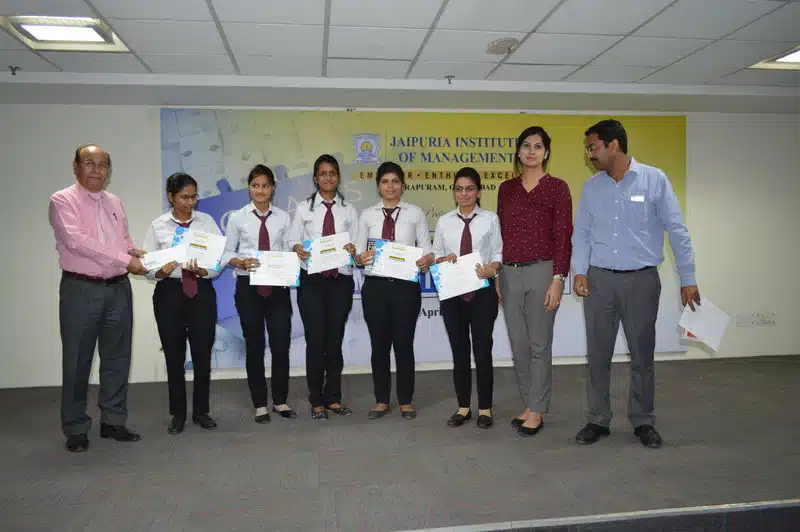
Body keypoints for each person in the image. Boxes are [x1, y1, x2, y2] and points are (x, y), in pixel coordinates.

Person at [572, 119, 701, 449]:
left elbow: (677, 230)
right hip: (599, 281)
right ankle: (598, 419)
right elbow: (582, 233)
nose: (589, 155)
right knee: (597, 355)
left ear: (613, 145)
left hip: (642, 281)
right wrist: (580, 271)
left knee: (642, 355)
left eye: (592, 147)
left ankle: (643, 421)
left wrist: (688, 278)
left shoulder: (654, 180)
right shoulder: (592, 187)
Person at [48, 144, 148, 453]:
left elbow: (123, 238)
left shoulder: (114, 201)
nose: (97, 169)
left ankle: (113, 421)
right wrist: (125, 259)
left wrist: (133, 251)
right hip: (81, 289)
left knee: (118, 358)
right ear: (76, 166)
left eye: (103, 164)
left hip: (118, 288)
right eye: (89, 163)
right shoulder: (62, 200)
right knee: (77, 360)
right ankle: (76, 427)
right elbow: (77, 241)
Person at [497, 126, 573, 437]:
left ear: (546, 152)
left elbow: (563, 236)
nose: (531, 151)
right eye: (526, 145)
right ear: (518, 151)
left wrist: (558, 278)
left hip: (543, 271)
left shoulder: (557, 188)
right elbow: (500, 235)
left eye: (538, 146)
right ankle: (529, 404)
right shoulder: (507, 189)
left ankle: (537, 410)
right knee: (519, 344)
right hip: (509, 272)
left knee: (539, 344)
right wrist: (498, 275)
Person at [142, 172, 223, 435]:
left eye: (193, 197)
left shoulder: (206, 222)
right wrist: (160, 271)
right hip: (170, 293)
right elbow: (146, 266)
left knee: (202, 354)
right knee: (174, 355)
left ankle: (201, 411)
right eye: (184, 197)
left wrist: (205, 270)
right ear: (171, 197)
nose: (190, 202)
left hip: (201, 291)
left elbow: (218, 259)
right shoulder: (158, 226)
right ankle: (177, 413)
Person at [355, 161, 434, 420]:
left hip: (405, 287)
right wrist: (360, 257)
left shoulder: (415, 213)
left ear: (403, 184)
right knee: (379, 345)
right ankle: (381, 400)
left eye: (395, 181)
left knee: (403, 344)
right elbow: (357, 253)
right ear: (378, 186)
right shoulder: (367, 215)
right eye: (385, 182)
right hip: (375, 287)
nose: (390, 186)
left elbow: (426, 248)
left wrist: (426, 260)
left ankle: (406, 400)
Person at [224, 164, 296, 424]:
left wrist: (291, 258)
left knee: (280, 344)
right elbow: (226, 252)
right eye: (255, 185)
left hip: (277, 287)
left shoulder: (284, 218)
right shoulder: (238, 218)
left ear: (273, 188)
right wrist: (239, 262)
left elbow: (288, 249)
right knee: (254, 345)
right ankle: (259, 403)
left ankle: (280, 400)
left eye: (265, 186)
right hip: (248, 287)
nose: (260, 190)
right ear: (249, 189)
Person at [432, 167, 502, 429]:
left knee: (482, 350)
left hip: (482, 291)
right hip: (453, 293)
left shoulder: (490, 219)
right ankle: (463, 407)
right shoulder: (444, 221)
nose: (464, 194)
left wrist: (492, 268)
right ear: (454, 192)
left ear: (478, 192)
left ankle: (485, 408)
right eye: (459, 189)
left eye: (470, 189)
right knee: (459, 351)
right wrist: (443, 258)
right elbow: (436, 253)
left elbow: (498, 252)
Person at [289, 155, 358, 420]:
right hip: (312, 281)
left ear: (338, 177)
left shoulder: (349, 210)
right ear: (316, 178)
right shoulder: (303, 209)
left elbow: (357, 246)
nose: (328, 177)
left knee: (335, 340)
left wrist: (352, 248)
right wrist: (297, 247)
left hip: (340, 281)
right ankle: (316, 399)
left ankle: (333, 398)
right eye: (323, 173)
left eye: (332, 173)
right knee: (316, 340)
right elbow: (292, 240)